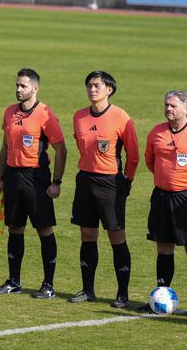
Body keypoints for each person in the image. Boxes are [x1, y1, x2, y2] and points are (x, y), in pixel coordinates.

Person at [0, 68, 67, 299]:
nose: (18, 89)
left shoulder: (45, 114)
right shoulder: (9, 112)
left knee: (44, 229)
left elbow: (61, 148)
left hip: (36, 178)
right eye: (17, 85)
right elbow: (5, 146)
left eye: (23, 86)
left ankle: (48, 284)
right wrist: (0, 175)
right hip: (13, 177)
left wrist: (56, 182)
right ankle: (14, 281)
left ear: (35, 88)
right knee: (15, 228)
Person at [68, 71, 139, 308]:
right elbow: (81, 147)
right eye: (89, 85)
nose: (92, 89)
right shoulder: (79, 117)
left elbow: (133, 155)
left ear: (109, 89)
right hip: (85, 181)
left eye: (97, 85)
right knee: (87, 236)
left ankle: (122, 294)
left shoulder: (121, 117)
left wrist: (126, 181)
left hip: (110, 184)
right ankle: (88, 290)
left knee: (116, 237)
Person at [144, 90, 187, 302]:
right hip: (161, 197)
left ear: (185, 108)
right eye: (166, 105)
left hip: (185, 199)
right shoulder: (157, 132)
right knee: (163, 246)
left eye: (173, 105)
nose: (168, 109)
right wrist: (166, 179)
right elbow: (150, 161)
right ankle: (162, 295)